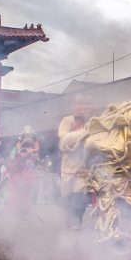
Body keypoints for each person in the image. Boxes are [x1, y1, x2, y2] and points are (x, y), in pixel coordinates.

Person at [58, 94, 93, 229]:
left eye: (87, 103)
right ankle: (69, 217)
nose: (84, 107)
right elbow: (63, 138)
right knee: (67, 193)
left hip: (85, 164)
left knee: (81, 192)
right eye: (80, 103)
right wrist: (82, 134)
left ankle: (76, 220)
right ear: (73, 106)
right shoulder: (67, 120)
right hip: (69, 165)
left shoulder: (94, 122)